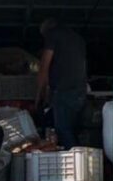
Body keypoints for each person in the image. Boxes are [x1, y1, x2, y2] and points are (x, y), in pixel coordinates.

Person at [36, 18, 88, 149]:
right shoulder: (78, 39)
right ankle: (79, 158)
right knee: (73, 130)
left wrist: (39, 96)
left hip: (64, 90)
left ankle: (76, 163)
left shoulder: (52, 35)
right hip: (80, 91)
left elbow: (44, 67)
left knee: (63, 130)